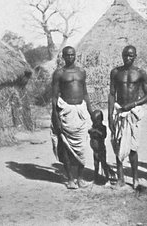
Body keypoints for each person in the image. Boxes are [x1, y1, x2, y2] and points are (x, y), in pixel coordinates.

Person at [108, 45, 147, 189]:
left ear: (135, 56)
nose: (128, 58)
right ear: (122, 55)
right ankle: (120, 179)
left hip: (133, 113)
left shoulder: (140, 73)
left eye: (131, 55)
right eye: (125, 55)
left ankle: (135, 179)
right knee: (118, 145)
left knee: (133, 148)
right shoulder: (115, 72)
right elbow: (112, 94)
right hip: (119, 112)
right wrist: (109, 116)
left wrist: (133, 104)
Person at [51, 46, 93, 190]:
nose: (70, 57)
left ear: (75, 56)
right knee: (66, 147)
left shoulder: (81, 72)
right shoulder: (59, 73)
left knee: (81, 147)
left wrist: (91, 112)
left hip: (80, 112)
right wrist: (55, 117)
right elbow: (54, 97)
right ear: (63, 56)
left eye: (72, 55)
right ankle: (70, 179)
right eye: (67, 55)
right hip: (66, 112)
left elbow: (85, 93)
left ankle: (80, 178)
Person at [89, 110, 113, 184]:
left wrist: (97, 131)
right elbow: (90, 133)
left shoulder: (103, 127)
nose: (94, 123)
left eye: (95, 121)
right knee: (96, 165)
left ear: (100, 120)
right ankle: (95, 178)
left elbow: (104, 135)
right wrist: (91, 131)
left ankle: (107, 179)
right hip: (95, 150)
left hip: (101, 150)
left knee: (103, 164)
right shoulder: (93, 127)